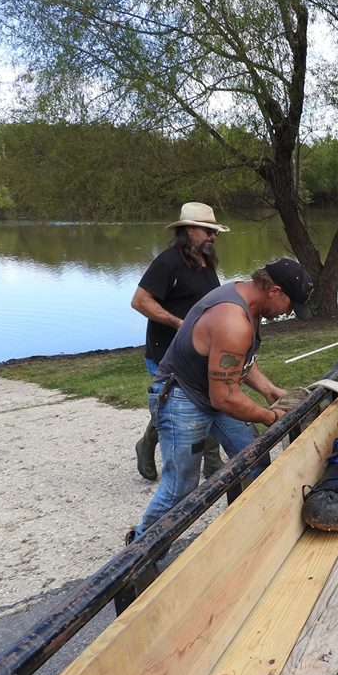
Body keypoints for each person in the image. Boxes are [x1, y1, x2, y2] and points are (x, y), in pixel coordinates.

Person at [128, 258, 313, 541]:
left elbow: (239, 360)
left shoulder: (247, 300)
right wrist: (270, 416)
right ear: (275, 291)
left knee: (253, 458)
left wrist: (268, 389)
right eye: (290, 305)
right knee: (181, 487)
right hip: (181, 396)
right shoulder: (232, 320)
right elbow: (225, 397)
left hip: (212, 392)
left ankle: (249, 529)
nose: (288, 312)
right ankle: (138, 553)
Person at [131, 202, 227, 481]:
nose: (213, 236)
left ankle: (206, 462)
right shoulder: (167, 262)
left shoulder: (206, 262)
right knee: (187, 404)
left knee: (200, 401)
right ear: (188, 230)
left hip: (200, 352)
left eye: (215, 231)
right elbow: (140, 301)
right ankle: (205, 461)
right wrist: (179, 324)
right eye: (208, 231)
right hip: (167, 353)